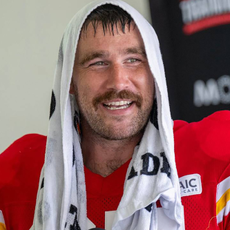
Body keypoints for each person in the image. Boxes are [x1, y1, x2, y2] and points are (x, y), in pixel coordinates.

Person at [0, 0, 230, 229]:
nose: (118, 81)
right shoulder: (17, 175)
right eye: (98, 63)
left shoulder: (216, 154)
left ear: (155, 72)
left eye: (133, 60)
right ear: (68, 81)